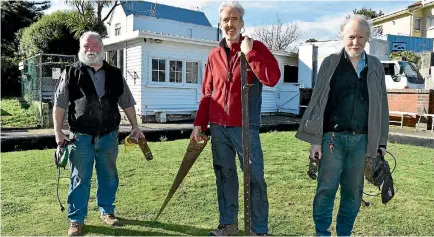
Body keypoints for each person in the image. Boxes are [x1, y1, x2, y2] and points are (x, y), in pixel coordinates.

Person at [190, 1, 281, 235]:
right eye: (225, 20)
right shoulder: (213, 55)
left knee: (255, 177)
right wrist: (200, 124)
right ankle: (228, 224)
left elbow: (272, 78)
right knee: (224, 175)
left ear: (242, 22)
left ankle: (258, 229)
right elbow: (208, 92)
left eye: (234, 19)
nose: (230, 24)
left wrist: (250, 54)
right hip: (218, 127)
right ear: (220, 24)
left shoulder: (256, 48)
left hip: (245, 127)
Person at [295, 15, 389, 236]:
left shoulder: (375, 66)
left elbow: (382, 106)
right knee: (326, 189)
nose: (355, 42)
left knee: (353, 192)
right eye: (351, 37)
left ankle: (344, 233)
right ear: (343, 37)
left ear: (367, 39)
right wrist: (315, 141)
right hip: (332, 140)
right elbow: (318, 104)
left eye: (360, 37)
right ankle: (322, 232)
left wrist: (381, 141)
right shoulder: (330, 63)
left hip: (362, 142)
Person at [53, 31, 144, 236]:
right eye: (86, 46)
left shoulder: (115, 73)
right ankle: (76, 220)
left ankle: (107, 211)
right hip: (80, 137)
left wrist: (135, 127)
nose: (90, 50)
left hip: (109, 136)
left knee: (109, 176)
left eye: (94, 46)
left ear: (102, 48)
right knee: (79, 178)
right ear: (80, 48)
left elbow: (127, 102)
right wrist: (58, 132)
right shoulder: (70, 72)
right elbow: (59, 105)